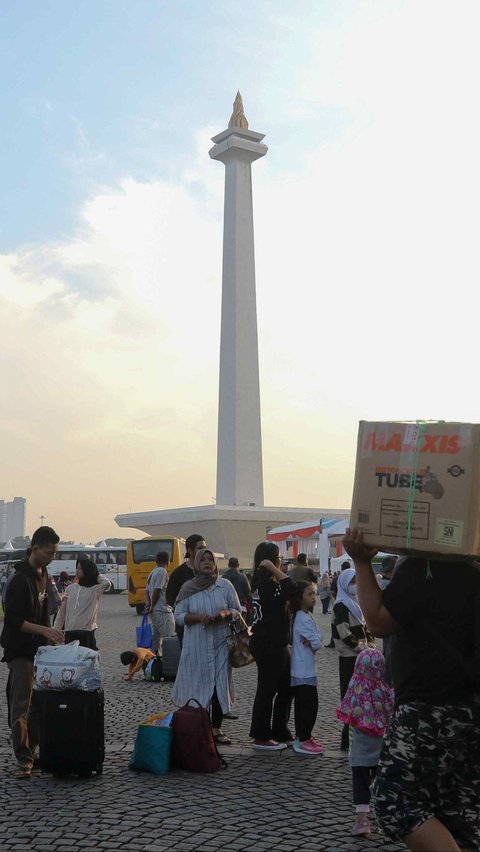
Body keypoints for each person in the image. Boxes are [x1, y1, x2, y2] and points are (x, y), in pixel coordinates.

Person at [343, 528, 480, 852]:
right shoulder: (473, 573)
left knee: (396, 805)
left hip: (427, 709)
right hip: (471, 712)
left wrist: (362, 562)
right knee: (458, 816)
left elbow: (376, 621)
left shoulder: (423, 569)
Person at [0, 526, 64, 778]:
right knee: (21, 708)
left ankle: (33, 750)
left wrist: (51, 635)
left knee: (38, 705)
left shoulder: (44, 573)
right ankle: (23, 759)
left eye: (55, 553)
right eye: (49, 553)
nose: (52, 558)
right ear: (35, 548)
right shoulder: (19, 580)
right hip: (20, 652)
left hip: (39, 651)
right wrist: (44, 631)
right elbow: (13, 621)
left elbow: (44, 611)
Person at [172, 548, 241, 745]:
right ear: (196, 564)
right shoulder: (188, 588)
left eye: (211, 560)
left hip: (221, 643)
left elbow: (238, 610)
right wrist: (196, 617)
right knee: (198, 687)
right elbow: (178, 616)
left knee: (219, 686)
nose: (208, 563)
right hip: (197, 646)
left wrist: (224, 615)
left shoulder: (225, 586)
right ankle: (198, 728)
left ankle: (216, 728)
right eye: (204, 560)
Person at [336, 647, 394, 836]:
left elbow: (346, 712)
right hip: (381, 750)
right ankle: (388, 819)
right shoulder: (385, 691)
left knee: (360, 783)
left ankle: (362, 821)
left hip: (360, 750)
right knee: (383, 783)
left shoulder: (355, 687)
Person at [249, 541, 297, 751]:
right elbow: (292, 589)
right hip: (267, 642)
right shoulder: (265, 584)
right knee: (267, 689)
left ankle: (279, 729)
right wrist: (272, 567)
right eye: (278, 558)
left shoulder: (265, 582)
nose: (281, 562)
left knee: (286, 686)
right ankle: (261, 734)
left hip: (278, 642)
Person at [332, 567, 375, 750]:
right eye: (351, 582)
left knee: (362, 695)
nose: (354, 585)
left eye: (355, 582)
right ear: (343, 584)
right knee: (349, 695)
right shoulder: (340, 605)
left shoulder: (356, 602)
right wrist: (361, 647)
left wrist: (371, 646)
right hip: (349, 656)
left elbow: (367, 627)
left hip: (363, 656)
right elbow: (343, 632)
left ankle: (360, 734)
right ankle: (346, 738)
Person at [289, 580, 324, 755]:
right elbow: (317, 643)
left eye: (314, 593)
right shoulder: (302, 618)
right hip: (303, 670)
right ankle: (303, 739)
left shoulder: (306, 615)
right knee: (309, 706)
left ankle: (302, 737)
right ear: (300, 597)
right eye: (309, 594)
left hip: (305, 668)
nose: (313, 598)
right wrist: (314, 640)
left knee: (305, 705)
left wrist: (314, 639)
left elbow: (318, 638)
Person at [54, 558, 111, 650]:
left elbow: (107, 583)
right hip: (70, 631)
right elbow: (61, 612)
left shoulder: (95, 589)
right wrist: (56, 629)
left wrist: (96, 574)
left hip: (86, 632)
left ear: (87, 570)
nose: (77, 570)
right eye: (77, 568)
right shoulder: (70, 588)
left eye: (80, 568)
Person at [165, 533, 206, 644]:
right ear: (190, 550)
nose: (203, 551)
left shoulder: (208, 572)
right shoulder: (178, 574)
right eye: (200, 548)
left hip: (208, 627)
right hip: (187, 628)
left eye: (205, 548)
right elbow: (170, 600)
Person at [144, 551, 175, 653]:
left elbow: (147, 591)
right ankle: (170, 662)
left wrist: (148, 605)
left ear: (156, 561)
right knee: (170, 639)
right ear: (168, 561)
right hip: (162, 611)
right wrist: (152, 606)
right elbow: (157, 590)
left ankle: (154, 663)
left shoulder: (152, 572)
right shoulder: (162, 571)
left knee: (156, 641)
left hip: (155, 612)